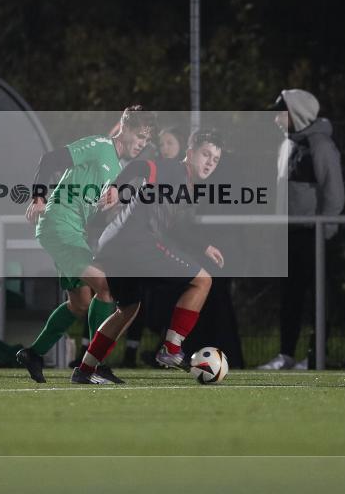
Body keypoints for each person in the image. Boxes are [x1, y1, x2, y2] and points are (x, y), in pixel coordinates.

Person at [71, 128, 226, 384]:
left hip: (115, 244)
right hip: (135, 242)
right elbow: (141, 166)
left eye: (215, 159)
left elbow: (175, 227)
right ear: (190, 153)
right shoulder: (175, 170)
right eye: (205, 154)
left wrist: (203, 247)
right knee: (203, 280)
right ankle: (172, 349)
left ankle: (85, 369)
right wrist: (116, 188)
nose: (210, 162)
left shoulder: (183, 184)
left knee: (128, 308)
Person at [15, 106, 156, 383]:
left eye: (146, 140)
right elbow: (50, 159)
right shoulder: (100, 145)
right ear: (123, 128)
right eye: (139, 136)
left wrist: (110, 209)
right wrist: (38, 197)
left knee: (80, 304)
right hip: (58, 225)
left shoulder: (117, 168)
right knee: (104, 286)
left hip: (73, 232)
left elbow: (88, 206)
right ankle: (93, 365)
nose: (142, 144)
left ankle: (33, 354)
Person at [258, 89, 344, 370]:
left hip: (313, 234)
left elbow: (334, 194)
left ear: (296, 115)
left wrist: (325, 230)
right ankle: (286, 355)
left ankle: (314, 356)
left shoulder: (321, 146)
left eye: (281, 113)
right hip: (290, 234)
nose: (276, 119)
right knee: (289, 296)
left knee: (318, 298)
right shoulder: (287, 145)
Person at [122, 124, 185, 368]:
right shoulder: (152, 168)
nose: (165, 147)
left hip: (170, 245)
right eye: (162, 143)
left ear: (181, 146)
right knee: (136, 301)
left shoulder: (184, 172)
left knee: (166, 302)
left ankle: (164, 352)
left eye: (170, 142)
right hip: (145, 244)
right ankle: (130, 353)